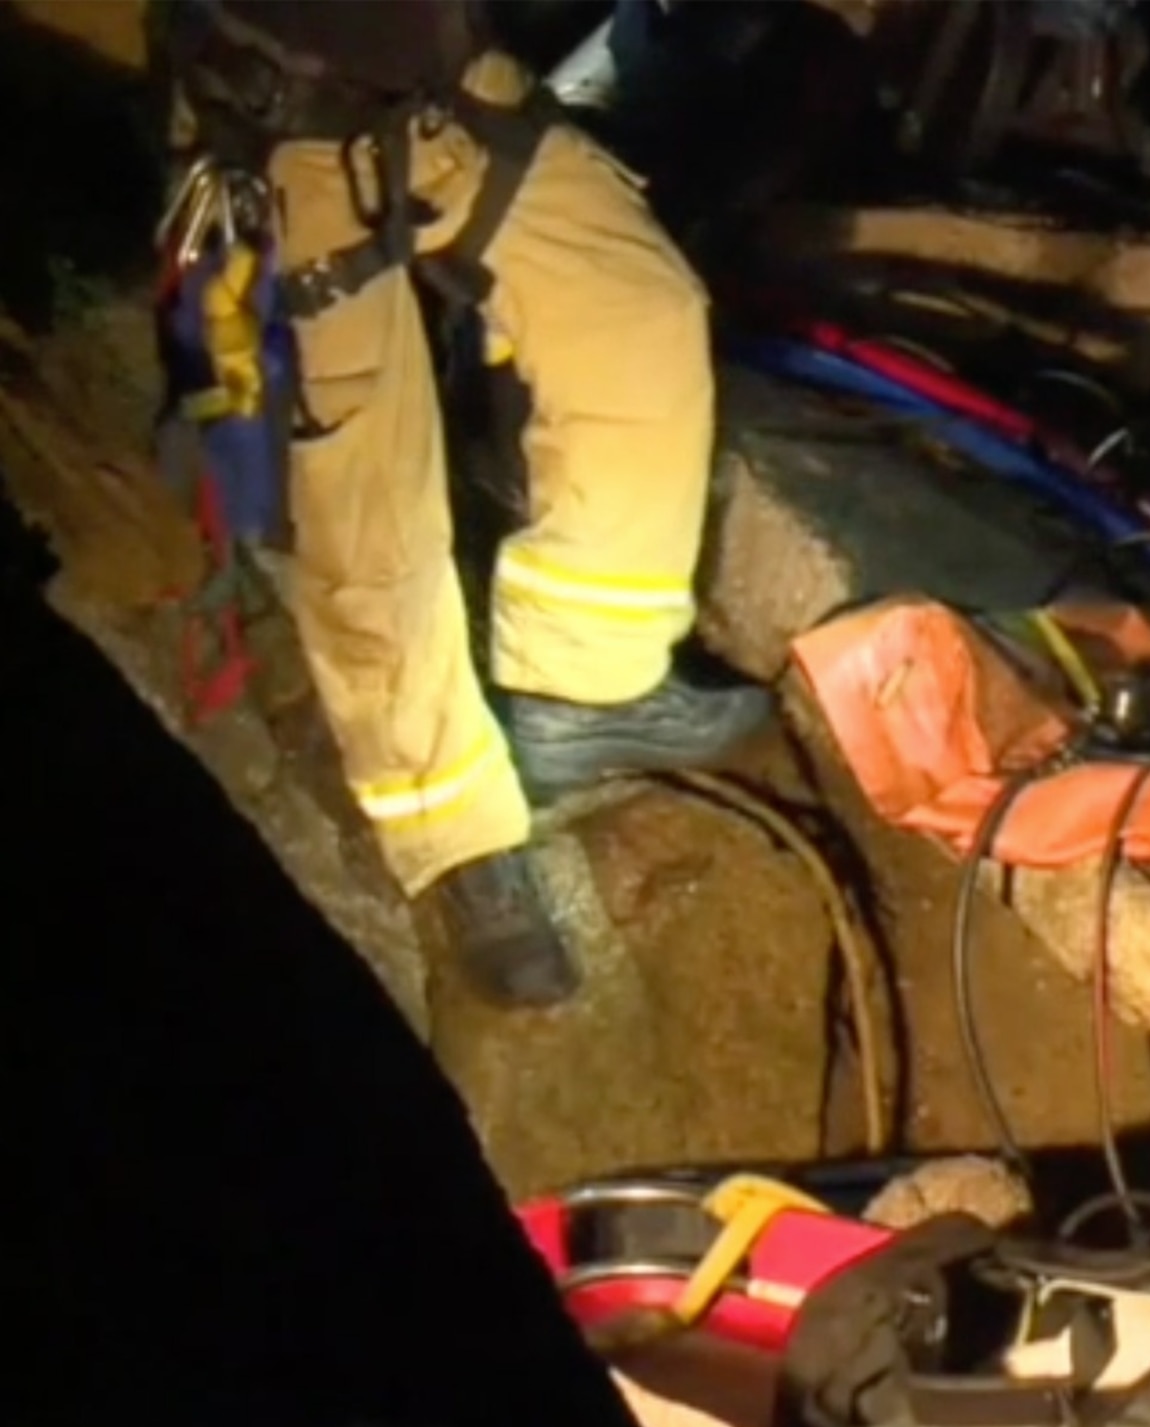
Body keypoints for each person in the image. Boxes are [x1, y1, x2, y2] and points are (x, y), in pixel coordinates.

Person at [148, 0, 773, 1009]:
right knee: (366, 502)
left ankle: (585, 686)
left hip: (443, 87)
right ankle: (448, 831)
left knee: (632, 314)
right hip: (282, 123)